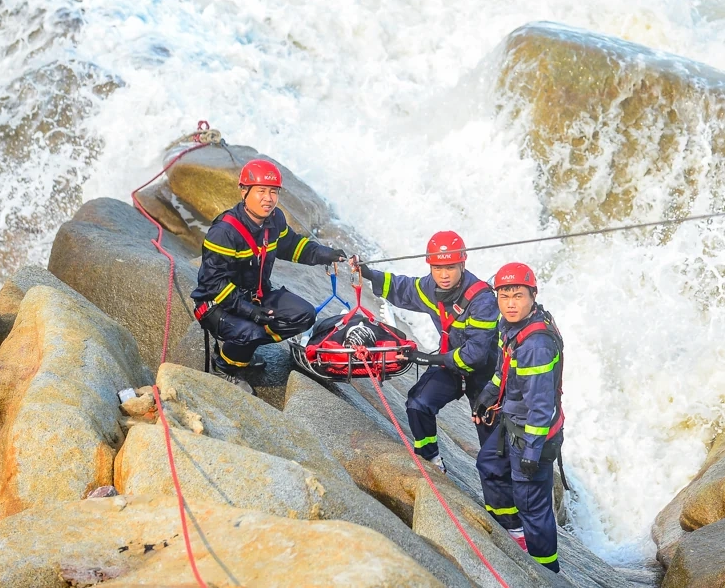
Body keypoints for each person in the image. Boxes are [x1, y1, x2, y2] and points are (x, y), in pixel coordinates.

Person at [191, 159, 346, 394]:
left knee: (304, 316)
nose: (268, 198)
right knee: (250, 331)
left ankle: (240, 352)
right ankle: (224, 367)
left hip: (255, 297)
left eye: (273, 192)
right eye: (261, 191)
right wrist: (250, 312)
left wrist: (326, 254)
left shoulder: (275, 220)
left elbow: (293, 246)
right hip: (217, 304)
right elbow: (213, 285)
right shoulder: (224, 232)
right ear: (244, 191)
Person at [359, 231, 499, 472]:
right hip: (450, 364)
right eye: (437, 268)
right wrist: (369, 273)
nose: (443, 275)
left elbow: (474, 356)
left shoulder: (483, 300)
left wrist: (426, 359)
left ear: (462, 264)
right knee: (417, 404)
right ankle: (431, 459)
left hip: (484, 374)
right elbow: (403, 288)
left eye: (450, 267)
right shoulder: (430, 287)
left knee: (493, 449)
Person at [471, 262, 564, 573]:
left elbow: (541, 404)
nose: (510, 303)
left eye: (518, 296)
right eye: (504, 295)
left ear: (533, 296)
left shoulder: (536, 345)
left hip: (531, 432)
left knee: (533, 506)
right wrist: (486, 396)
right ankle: (514, 533)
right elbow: (503, 371)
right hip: (512, 422)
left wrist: (532, 451)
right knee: (489, 465)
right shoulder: (509, 326)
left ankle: (546, 571)